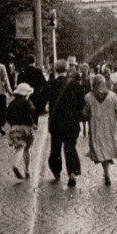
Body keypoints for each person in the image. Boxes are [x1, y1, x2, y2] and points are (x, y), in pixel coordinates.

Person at [40, 59, 85, 187]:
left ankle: (56, 170)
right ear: (67, 70)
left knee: (55, 148)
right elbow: (82, 104)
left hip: (55, 121)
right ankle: (72, 172)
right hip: (71, 122)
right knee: (70, 147)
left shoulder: (50, 84)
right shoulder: (75, 84)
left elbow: (41, 103)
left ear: (55, 70)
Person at [83, 74, 117, 186]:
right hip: (109, 127)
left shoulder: (88, 97)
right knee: (107, 148)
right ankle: (107, 172)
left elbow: (84, 113)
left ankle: (106, 172)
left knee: (100, 149)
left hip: (95, 127)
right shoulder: (112, 96)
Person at [6, 83, 37, 179]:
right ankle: (27, 170)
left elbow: (7, 117)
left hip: (14, 128)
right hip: (26, 128)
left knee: (19, 148)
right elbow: (33, 111)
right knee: (26, 149)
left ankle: (16, 164)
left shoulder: (11, 103)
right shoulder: (27, 102)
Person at [77, 63, 93, 136]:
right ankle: (84, 128)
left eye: (86, 69)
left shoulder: (91, 78)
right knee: (83, 115)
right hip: (82, 98)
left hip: (90, 98)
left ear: (88, 69)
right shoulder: (79, 79)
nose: (84, 70)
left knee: (90, 114)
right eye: (83, 69)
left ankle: (90, 128)